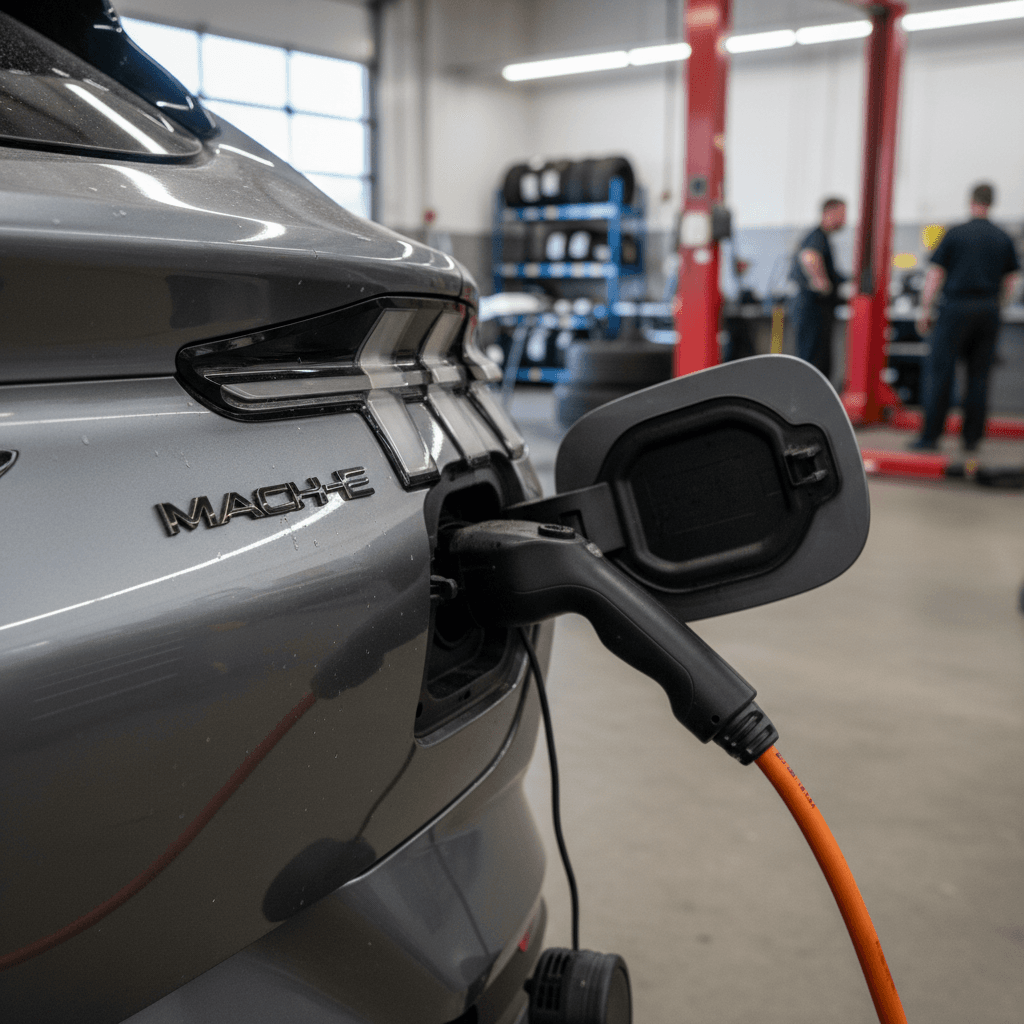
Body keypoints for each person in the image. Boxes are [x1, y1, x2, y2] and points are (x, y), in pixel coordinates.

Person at [911, 183, 1021, 452]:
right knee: (979, 376)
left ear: (970, 201)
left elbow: (935, 274)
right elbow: (1013, 280)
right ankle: (972, 439)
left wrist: (925, 309)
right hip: (988, 310)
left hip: (955, 308)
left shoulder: (955, 233)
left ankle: (930, 437)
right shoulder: (1002, 237)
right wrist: (999, 305)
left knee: (941, 373)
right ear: (991, 202)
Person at [788, 197, 848, 381]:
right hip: (813, 310)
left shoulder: (822, 237)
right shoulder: (817, 236)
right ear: (828, 213)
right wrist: (821, 283)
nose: (844, 220)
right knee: (813, 363)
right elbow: (809, 257)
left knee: (820, 361)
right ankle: (808, 398)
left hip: (818, 310)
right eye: (842, 214)